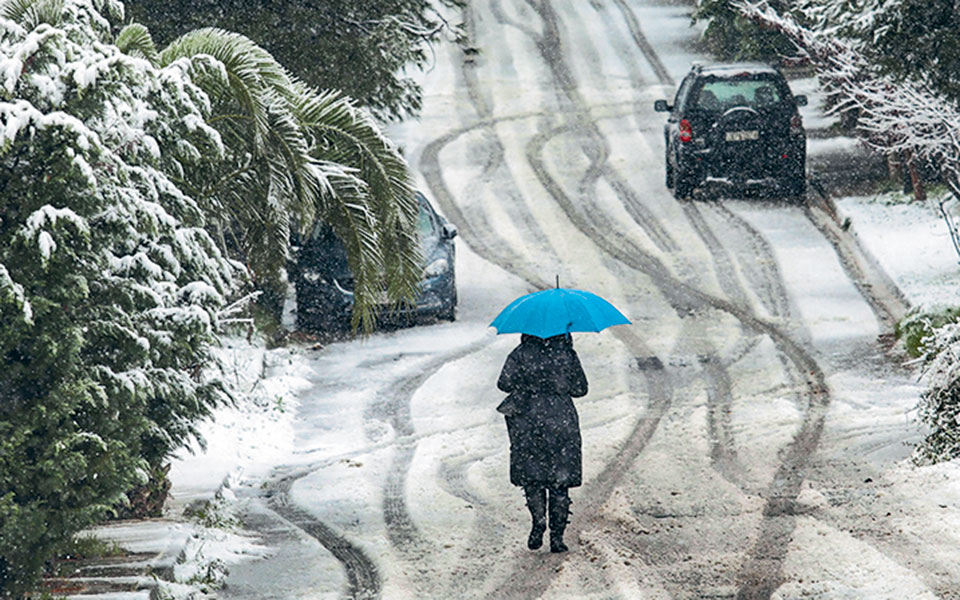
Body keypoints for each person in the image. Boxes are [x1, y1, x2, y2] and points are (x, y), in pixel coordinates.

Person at [496, 333, 588, 553]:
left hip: (528, 421)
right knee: (560, 481)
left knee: (533, 476)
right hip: (560, 421)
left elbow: (503, 384)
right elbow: (580, 389)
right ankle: (557, 538)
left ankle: (538, 520)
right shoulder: (566, 355)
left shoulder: (520, 354)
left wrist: (528, 383)